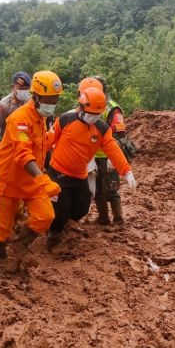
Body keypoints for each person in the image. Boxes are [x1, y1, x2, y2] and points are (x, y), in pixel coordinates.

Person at [46, 86, 137, 250]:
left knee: (82, 207)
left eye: (97, 115)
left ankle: (67, 225)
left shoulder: (101, 128)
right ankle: (54, 234)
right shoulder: (66, 119)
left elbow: (113, 149)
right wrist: (35, 160)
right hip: (59, 173)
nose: (93, 117)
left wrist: (126, 171)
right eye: (90, 114)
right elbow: (47, 141)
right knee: (61, 210)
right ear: (81, 107)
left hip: (80, 175)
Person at [0, 70, 63, 272]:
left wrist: (57, 132)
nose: (52, 103)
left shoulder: (41, 117)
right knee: (2, 227)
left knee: (46, 215)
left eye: (55, 99)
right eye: (48, 99)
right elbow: (23, 154)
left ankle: (20, 245)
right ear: (36, 96)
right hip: (10, 180)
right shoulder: (19, 119)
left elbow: (41, 145)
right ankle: (0, 257)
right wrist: (44, 180)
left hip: (31, 180)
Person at [89, 76, 132, 225]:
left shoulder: (112, 109)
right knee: (98, 190)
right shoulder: (90, 104)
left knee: (112, 189)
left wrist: (113, 159)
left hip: (108, 155)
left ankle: (118, 219)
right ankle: (103, 218)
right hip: (93, 155)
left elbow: (120, 135)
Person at [0, 71, 31, 147]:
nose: (23, 91)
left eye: (26, 89)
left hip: (26, 144)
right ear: (12, 87)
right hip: (8, 146)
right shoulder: (4, 105)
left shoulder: (31, 102)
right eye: (21, 88)